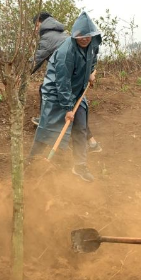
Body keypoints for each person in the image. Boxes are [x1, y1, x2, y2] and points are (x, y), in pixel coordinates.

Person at [29, 11, 101, 182]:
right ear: (75, 34)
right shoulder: (66, 52)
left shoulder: (93, 44)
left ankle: (80, 166)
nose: (85, 39)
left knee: (80, 128)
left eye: (88, 36)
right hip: (55, 92)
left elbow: (93, 60)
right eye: (81, 36)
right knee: (46, 129)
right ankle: (31, 162)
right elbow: (62, 82)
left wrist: (90, 73)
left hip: (76, 92)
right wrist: (68, 108)